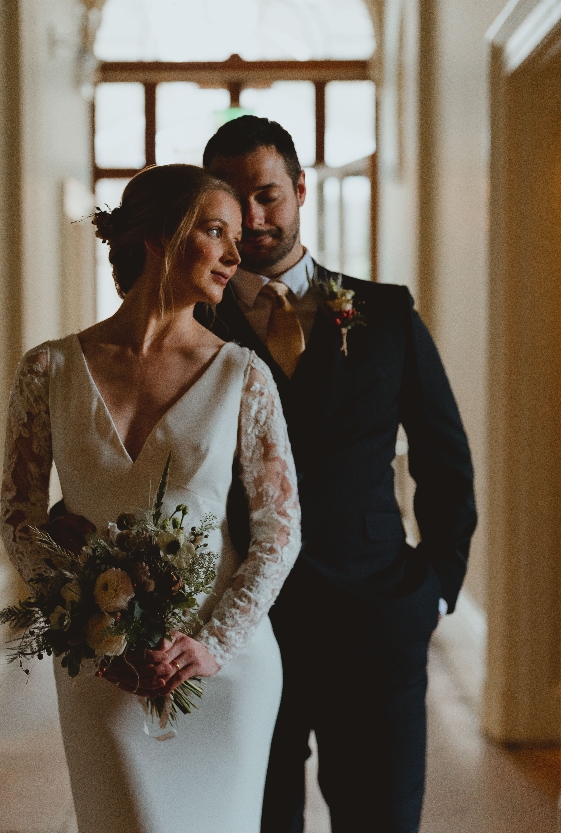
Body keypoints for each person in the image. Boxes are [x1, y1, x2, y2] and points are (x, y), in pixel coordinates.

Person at [0, 164, 301, 833]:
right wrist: (90, 624)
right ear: (162, 236)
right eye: (215, 231)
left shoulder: (243, 376)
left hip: (223, 670)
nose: (233, 252)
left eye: (236, 237)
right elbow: (20, 519)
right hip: (101, 667)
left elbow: (282, 530)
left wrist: (214, 644)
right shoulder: (47, 370)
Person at [200, 116, 478, 833]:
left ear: (298, 189)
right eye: (235, 205)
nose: (254, 220)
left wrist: (435, 591)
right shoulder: (190, 329)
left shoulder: (385, 313)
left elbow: (444, 458)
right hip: (243, 628)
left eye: (268, 196)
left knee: (381, 819)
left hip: (376, 618)